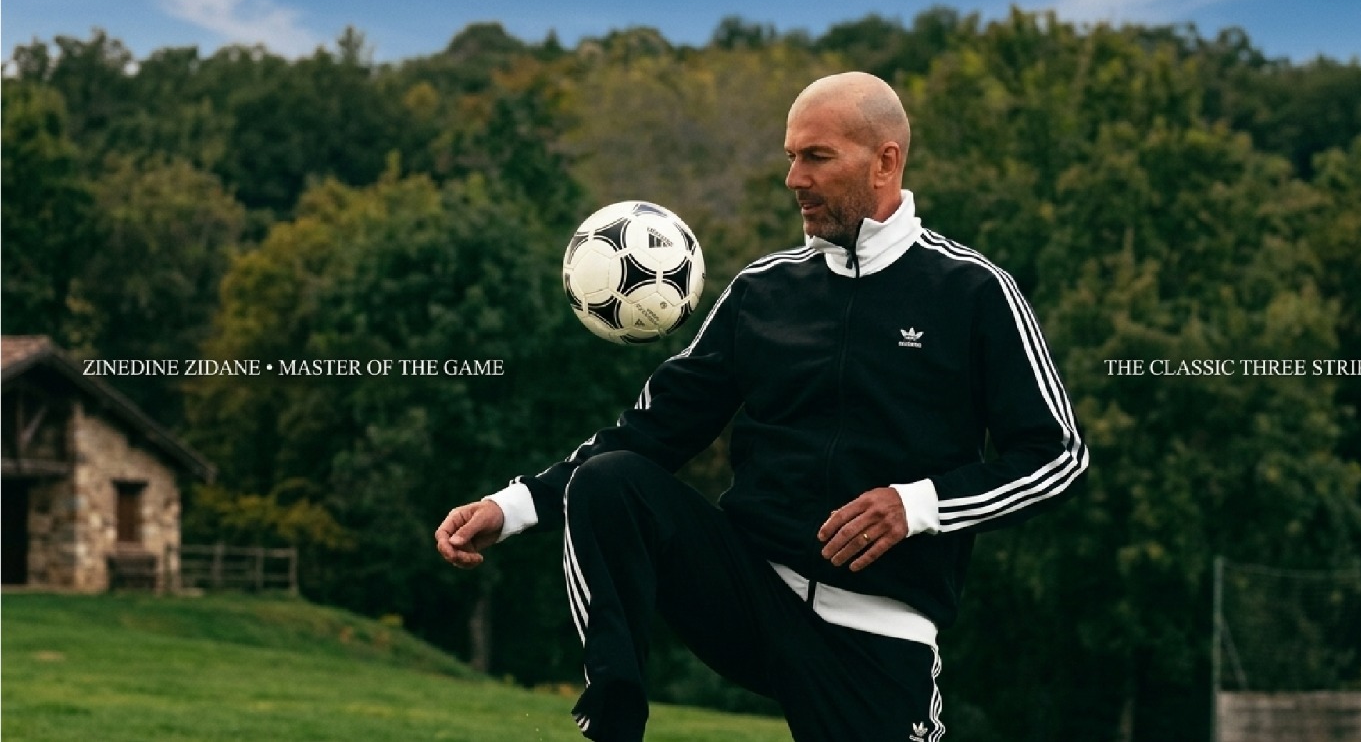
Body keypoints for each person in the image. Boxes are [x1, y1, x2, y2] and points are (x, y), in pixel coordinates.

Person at [435, 71, 1089, 742]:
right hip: (750, 592)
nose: (794, 180)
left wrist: (918, 504)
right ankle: (614, 715)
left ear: (886, 161)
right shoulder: (763, 291)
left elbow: (1058, 457)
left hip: (877, 635)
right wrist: (510, 507)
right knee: (614, 480)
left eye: (817, 157)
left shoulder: (973, 291)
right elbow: (650, 431)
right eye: (790, 157)